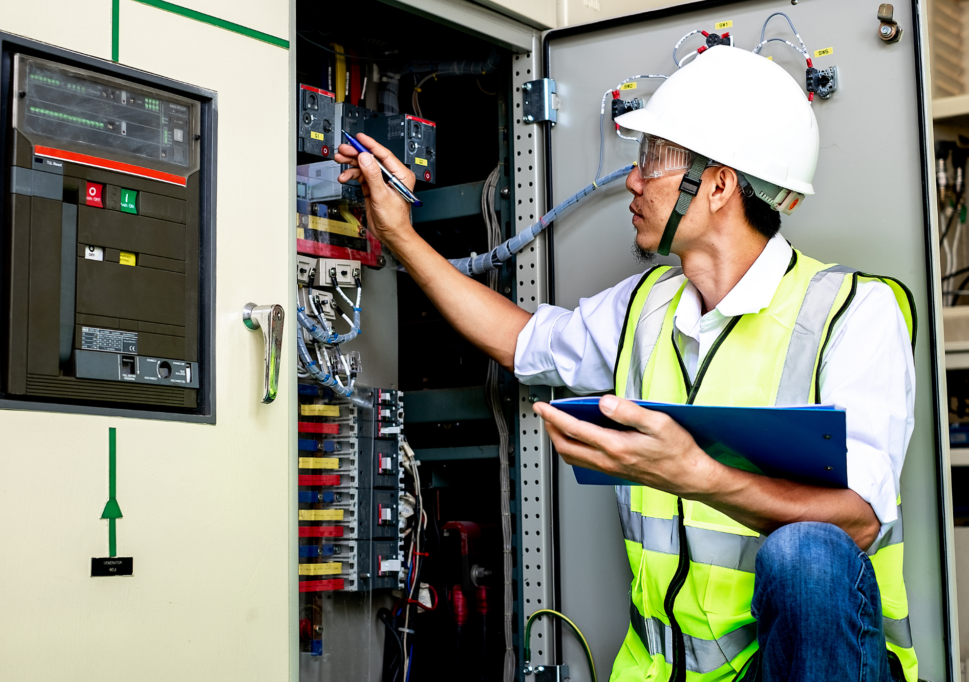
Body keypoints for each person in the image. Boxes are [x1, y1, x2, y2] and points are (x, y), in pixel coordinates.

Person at [335, 46, 916, 682]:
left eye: (651, 162)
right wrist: (400, 235)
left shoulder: (854, 313)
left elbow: (859, 522)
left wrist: (694, 473)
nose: (631, 183)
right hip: (662, 671)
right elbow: (521, 339)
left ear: (718, 184)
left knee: (808, 555)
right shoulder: (648, 306)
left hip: (796, 668)